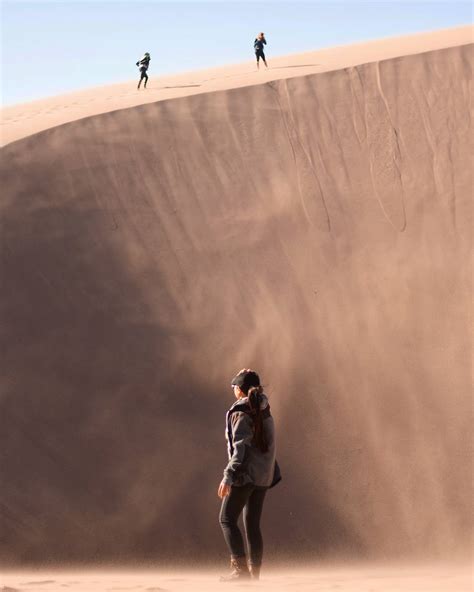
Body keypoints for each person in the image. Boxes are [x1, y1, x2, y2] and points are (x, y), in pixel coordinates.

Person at [218, 369, 281, 582]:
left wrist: (228, 476)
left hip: (246, 476)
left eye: (234, 386)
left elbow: (240, 449)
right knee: (252, 524)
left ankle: (241, 572)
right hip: (264, 475)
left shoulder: (241, 411)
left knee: (226, 519)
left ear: (240, 390)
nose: (233, 389)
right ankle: (254, 576)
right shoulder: (264, 408)